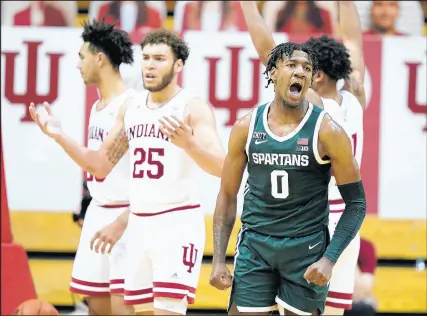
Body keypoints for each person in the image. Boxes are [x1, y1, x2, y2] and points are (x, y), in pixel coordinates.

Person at [30, 29, 225, 315]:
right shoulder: (132, 108)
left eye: (159, 58)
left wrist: (190, 144)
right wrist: (59, 136)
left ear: (178, 64)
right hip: (139, 227)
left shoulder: (191, 107)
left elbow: (222, 166)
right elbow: (99, 164)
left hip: (176, 225)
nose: (150, 65)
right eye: (146, 58)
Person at [209, 39, 366, 316]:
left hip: (305, 247)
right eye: (291, 65)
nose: (300, 72)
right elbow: (227, 194)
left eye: (307, 67)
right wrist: (219, 259)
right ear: (273, 72)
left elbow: (357, 204)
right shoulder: (246, 127)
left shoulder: (328, 130)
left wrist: (330, 259)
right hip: (256, 243)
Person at [30, 20, 135, 315]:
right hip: (99, 211)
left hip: (126, 217)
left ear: (99, 58)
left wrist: (58, 136)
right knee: (96, 309)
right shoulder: (98, 105)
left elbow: (100, 165)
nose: (77, 65)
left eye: (81, 57)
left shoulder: (131, 106)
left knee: (122, 309)